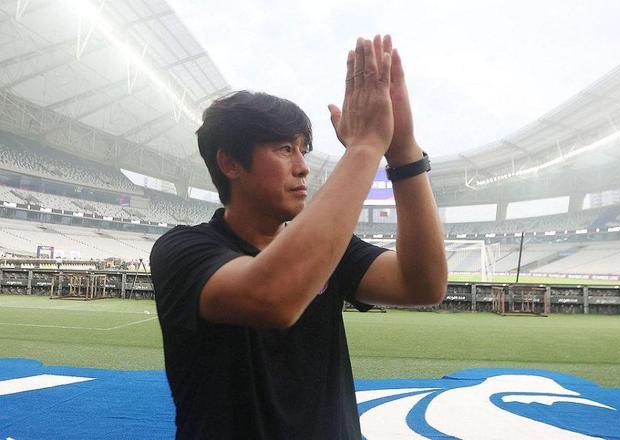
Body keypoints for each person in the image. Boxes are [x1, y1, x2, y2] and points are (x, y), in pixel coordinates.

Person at [150, 35, 448, 439]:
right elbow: (273, 297)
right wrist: (364, 148)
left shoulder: (327, 248)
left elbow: (423, 284)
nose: (303, 167)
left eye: (303, 150)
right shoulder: (182, 250)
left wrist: (403, 151)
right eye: (284, 149)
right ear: (231, 163)